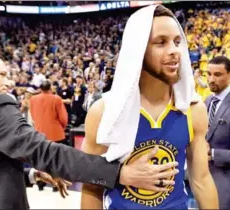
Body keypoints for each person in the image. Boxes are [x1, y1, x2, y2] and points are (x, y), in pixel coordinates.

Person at [0, 45, 179, 210]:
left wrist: (32, 174)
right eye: (2, 74)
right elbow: (45, 153)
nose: (9, 81)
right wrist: (120, 173)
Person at [81, 5, 218, 209]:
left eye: (177, 42)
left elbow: (202, 180)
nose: (174, 51)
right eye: (161, 42)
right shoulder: (103, 111)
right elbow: (92, 186)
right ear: (138, 51)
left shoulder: (192, 109)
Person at [205, 56, 230, 209]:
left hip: (228, 184)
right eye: (208, 74)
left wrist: (212, 154)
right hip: (205, 179)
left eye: (217, 75)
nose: (211, 79)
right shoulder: (207, 101)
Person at [29, 80, 68, 191]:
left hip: (39, 133)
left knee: (41, 159)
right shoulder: (56, 99)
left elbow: (32, 115)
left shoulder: (33, 99)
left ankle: (41, 184)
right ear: (50, 88)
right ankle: (56, 184)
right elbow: (64, 118)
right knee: (56, 160)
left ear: (41, 88)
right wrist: (62, 127)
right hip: (56, 133)